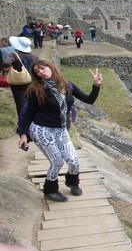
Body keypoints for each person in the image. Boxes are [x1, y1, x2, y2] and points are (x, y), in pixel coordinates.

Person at [18, 60, 102, 202]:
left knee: (74, 161)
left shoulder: (67, 85)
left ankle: (72, 182)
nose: (41, 73)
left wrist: (96, 85)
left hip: (61, 129)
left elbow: (89, 100)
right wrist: (23, 134)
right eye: (37, 72)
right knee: (57, 162)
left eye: (43, 69)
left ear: (51, 67)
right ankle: (50, 191)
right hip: (42, 130)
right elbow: (29, 113)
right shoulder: (36, 89)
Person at [1, 36, 39, 117]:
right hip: (32, 81)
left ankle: (23, 122)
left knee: (21, 103)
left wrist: (9, 68)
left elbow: (5, 63)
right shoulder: (34, 57)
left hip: (18, 83)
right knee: (32, 100)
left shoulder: (14, 55)